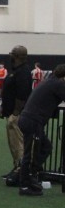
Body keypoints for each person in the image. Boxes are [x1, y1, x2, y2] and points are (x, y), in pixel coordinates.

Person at [17, 64, 65, 196]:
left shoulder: (50, 81)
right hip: (33, 121)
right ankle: (25, 184)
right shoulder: (58, 84)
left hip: (29, 119)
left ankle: (31, 175)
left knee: (45, 147)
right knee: (30, 154)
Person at [0, 45, 31, 184]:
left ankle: (21, 171)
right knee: (13, 143)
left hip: (17, 114)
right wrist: (3, 107)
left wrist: (16, 113)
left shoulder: (23, 72)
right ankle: (17, 166)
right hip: (11, 112)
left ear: (17, 56)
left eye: (12, 54)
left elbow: (22, 95)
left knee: (18, 143)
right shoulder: (16, 71)